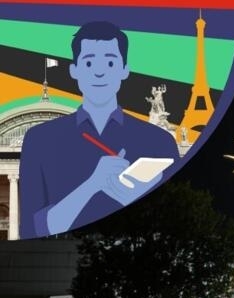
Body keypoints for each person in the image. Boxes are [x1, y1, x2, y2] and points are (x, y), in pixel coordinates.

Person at [19, 21, 179, 239]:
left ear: (125, 70)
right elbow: (31, 230)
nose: (100, 73)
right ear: (74, 70)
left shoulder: (159, 142)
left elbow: (179, 219)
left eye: (110, 63)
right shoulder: (39, 139)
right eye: (89, 63)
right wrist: (92, 185)